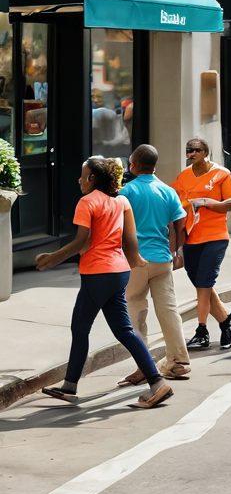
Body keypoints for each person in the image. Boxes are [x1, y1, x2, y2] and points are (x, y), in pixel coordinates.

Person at [36, 157, 173, 408]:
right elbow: (130, 241)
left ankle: (70, 386)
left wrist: (52, 258)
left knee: (80, 328)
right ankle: (156, 383)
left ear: (92, 179)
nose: (79, 179)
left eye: (82, 174)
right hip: (118, 272)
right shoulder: (121, 201)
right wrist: (137, 261)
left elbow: (81, 242)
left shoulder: (87, 202)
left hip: (97, 273)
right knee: (124, 331)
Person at [119, 145, 191, 384]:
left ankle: (144, 365)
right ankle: (178, 361)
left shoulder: (127, 192)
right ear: (154, 166)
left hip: (136, 261)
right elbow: (180, 225)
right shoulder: (167, 191)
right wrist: (177, 251)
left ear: (135, 165)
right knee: (169, 310)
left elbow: (119, 228)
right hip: (163, 259)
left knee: (135, 311)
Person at [173, 137, 231, 351]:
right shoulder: (183, 177)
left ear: (205, 152)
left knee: (204, 283)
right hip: (191, 237)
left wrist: (209, 203)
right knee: (202, 284)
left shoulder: (222, 174)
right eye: (188, 151)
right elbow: (175, 204)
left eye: (195, 150)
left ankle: (201, 330)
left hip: (215, 236)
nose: (191, 154)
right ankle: (226, 320)